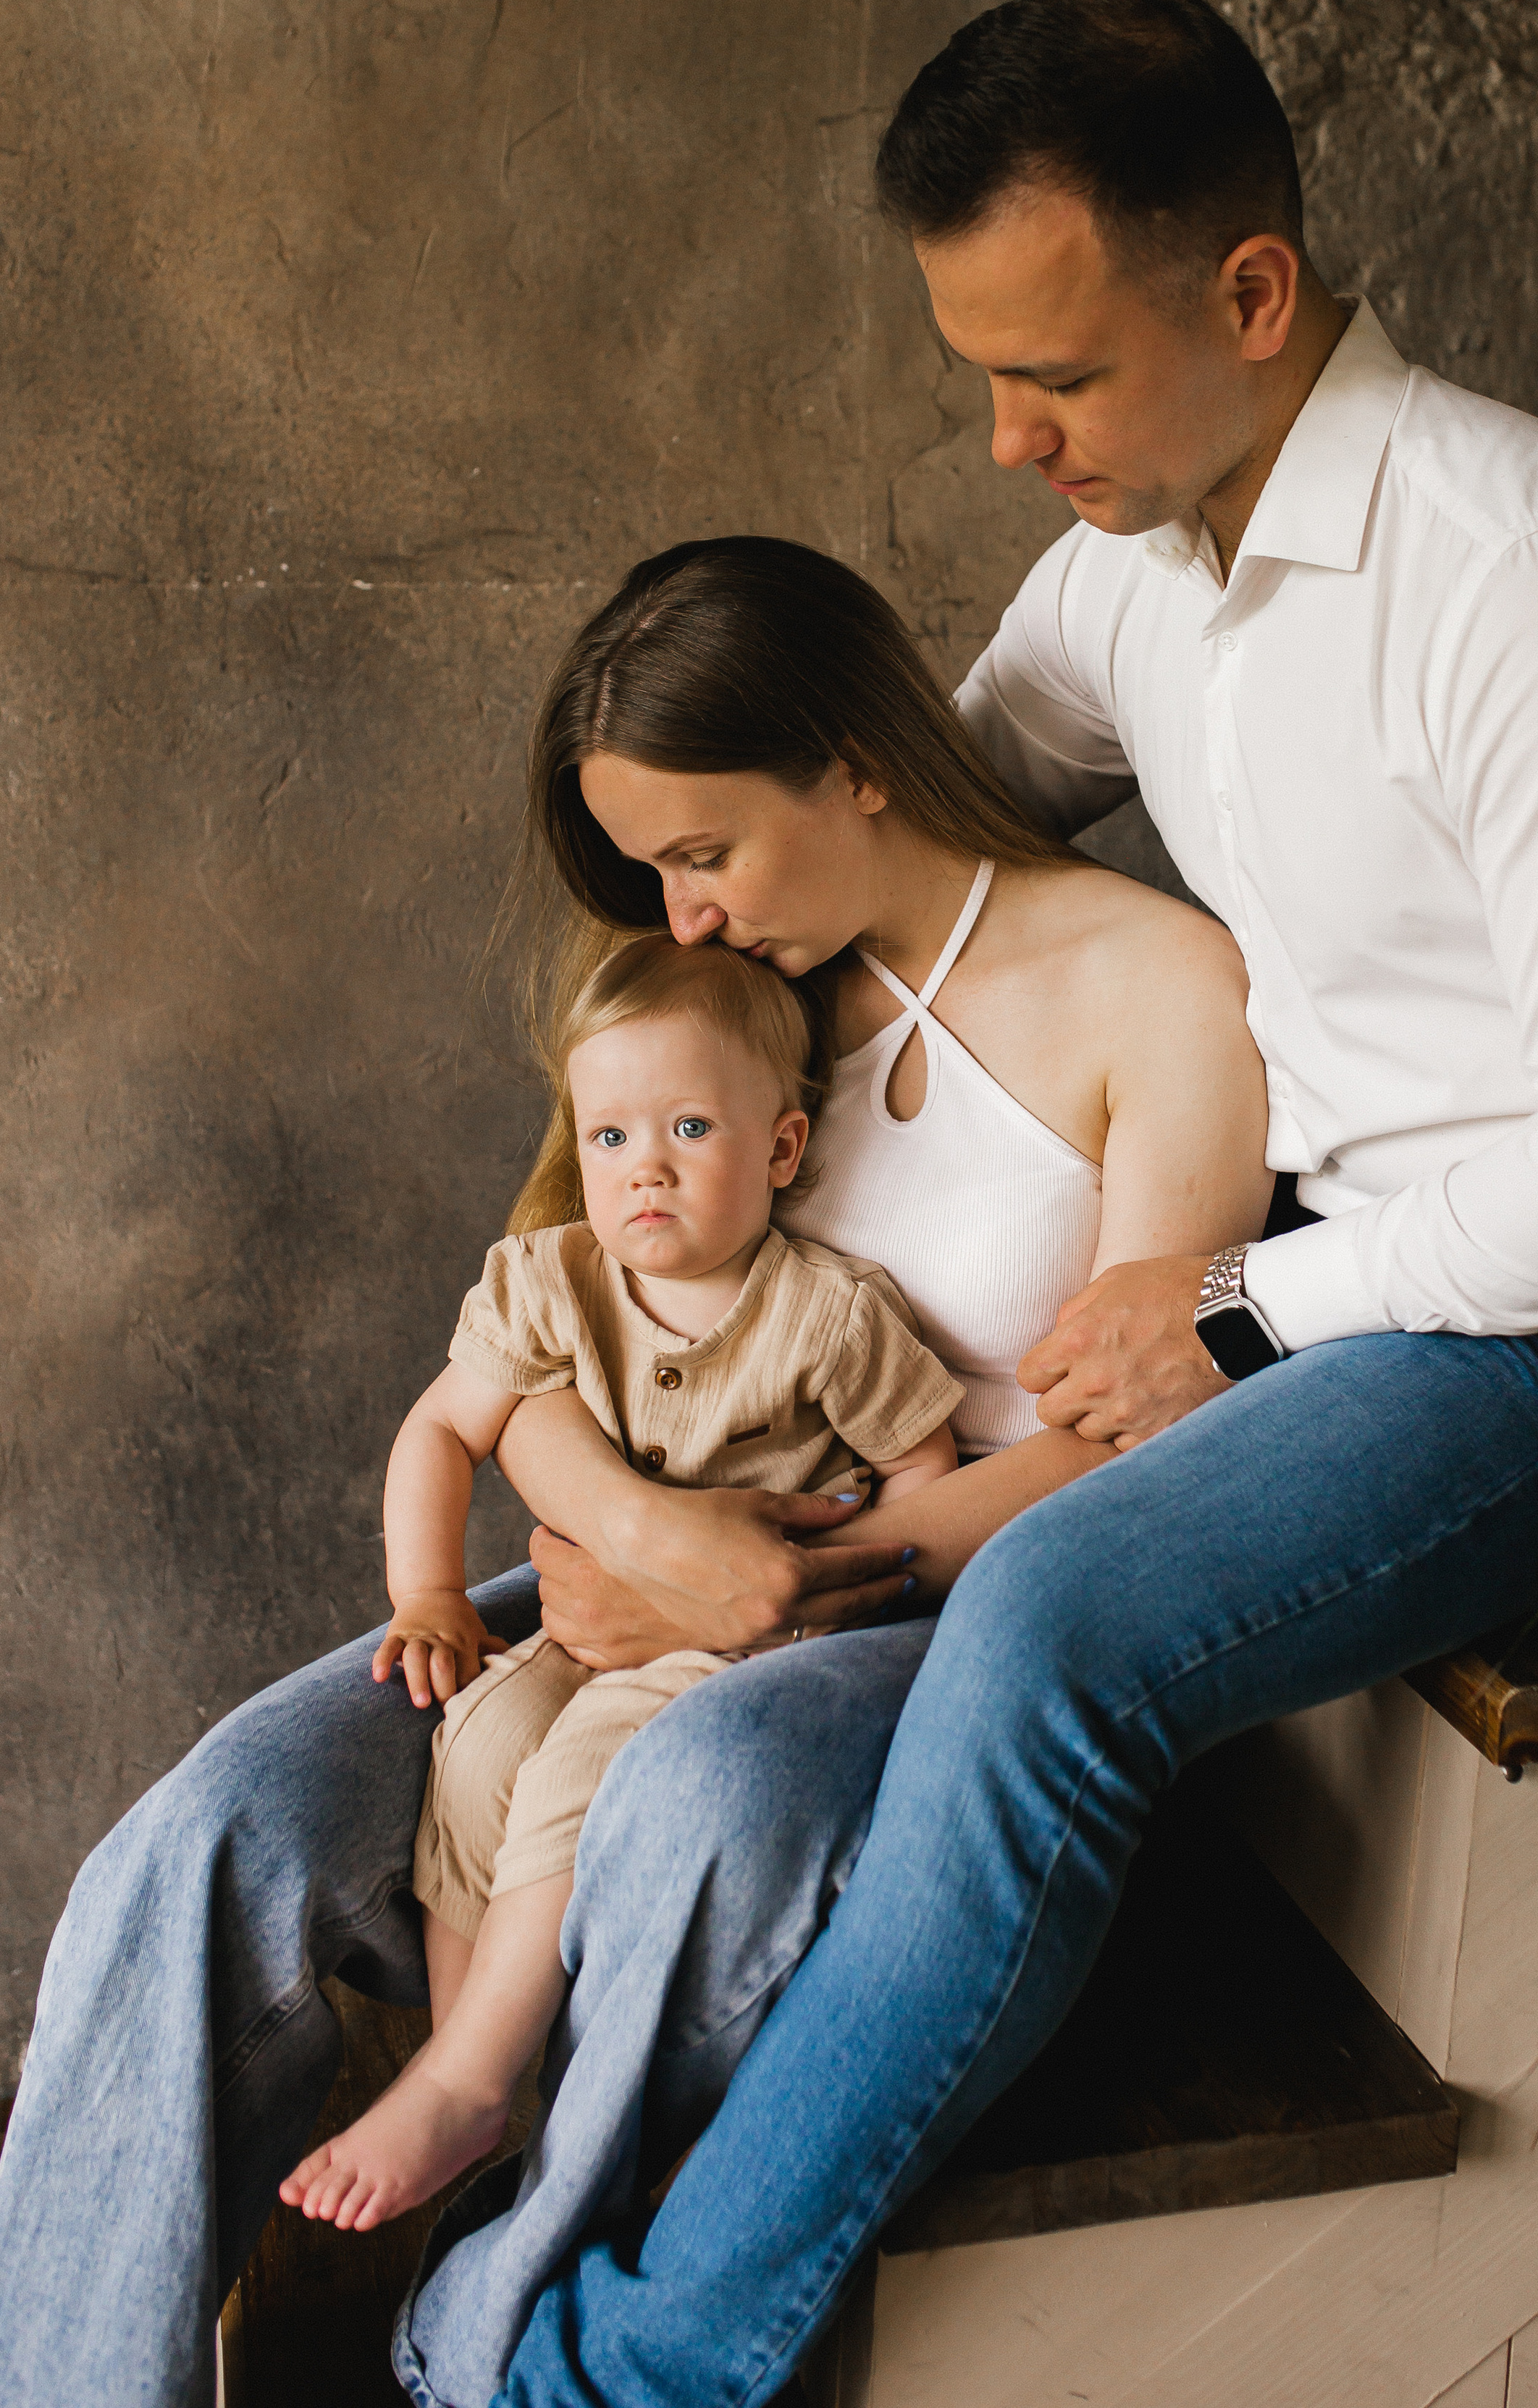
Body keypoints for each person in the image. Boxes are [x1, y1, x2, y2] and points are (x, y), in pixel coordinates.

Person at [447, 0, 1538, 2408]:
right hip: (1364, 1282)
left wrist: (1249, 1302)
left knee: (1052, 1621)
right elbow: (912, 811)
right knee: (617, 1552)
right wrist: (693, 1044)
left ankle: (621, 2371)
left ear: (1253, 295)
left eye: (1051, 375)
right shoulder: (1137, 566)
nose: (1001, 440)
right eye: (981, 370)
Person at [0, 527, 1264, 2408]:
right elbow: (520, 1337)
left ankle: (490, 2327)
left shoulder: (1155, 982)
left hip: (945, 1606)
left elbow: (1136, 1434)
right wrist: (635, 1528)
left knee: (692, 1795)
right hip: (626, 1571)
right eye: (653, 866)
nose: (676, 914)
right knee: (208, 1835)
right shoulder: (744, 987)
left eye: (702, 848)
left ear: (856, 759)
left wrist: (766, 1579)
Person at [281, 932, 962, 2235]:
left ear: (782, 1149)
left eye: (690, 1127)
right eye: (609, 1137)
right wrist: (426, 1593)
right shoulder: (552, 1281)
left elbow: (928, 1472)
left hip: (735, 1648)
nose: (642, 1167)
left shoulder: (826, 1315)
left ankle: (471, 2079)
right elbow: (442, 1429)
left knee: (577, 1767)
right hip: (588, 1620)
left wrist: (825, 1582)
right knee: (478, 1744)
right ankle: (480, 2061)